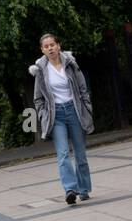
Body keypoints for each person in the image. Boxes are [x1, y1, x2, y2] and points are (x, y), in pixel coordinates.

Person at [30, 32, 93, 205]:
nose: (50, 48)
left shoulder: (71, 64)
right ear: (42, 50)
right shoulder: (41, 71)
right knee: (63, 154)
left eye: (52, 45)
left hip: (75, 111)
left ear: (58, 46)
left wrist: (87, 108)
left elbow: (82, 89)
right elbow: (38, 99)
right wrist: (43, 114)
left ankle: (84, 188)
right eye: (46, 46)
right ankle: (70, 189)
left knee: (80, 155)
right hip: (55, 114)